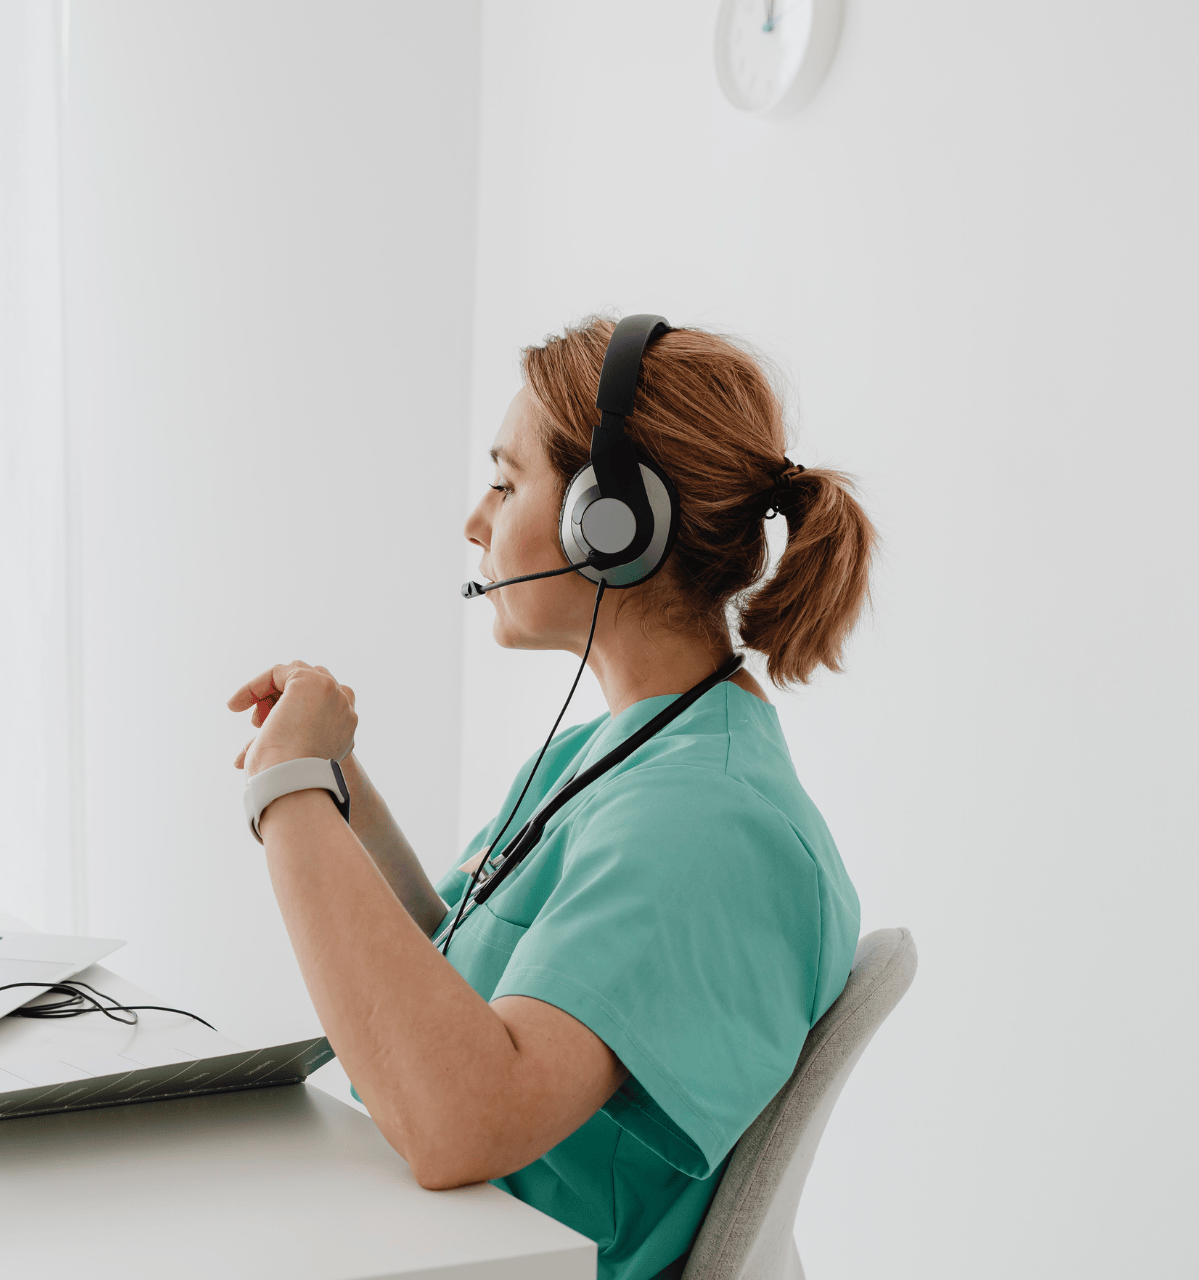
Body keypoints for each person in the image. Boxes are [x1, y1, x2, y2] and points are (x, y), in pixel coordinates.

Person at [227, 317, 873, 1280]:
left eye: (504, 480)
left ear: (612, 522)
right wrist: (334, 778)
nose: (474, 522)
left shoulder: (704, 822)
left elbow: (459, 1121)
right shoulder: (625, 753)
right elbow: (457, 968)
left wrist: (288, 799)